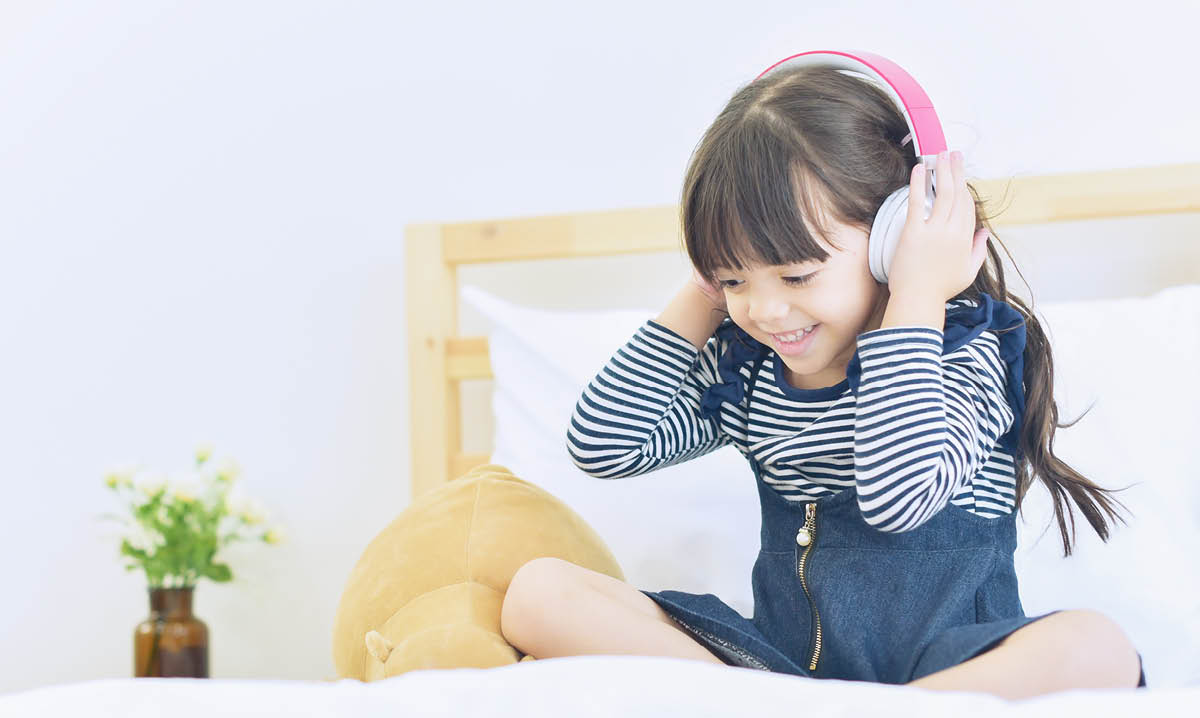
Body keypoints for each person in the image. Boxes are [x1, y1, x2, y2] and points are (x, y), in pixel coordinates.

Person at [498, 59, 1146, 701]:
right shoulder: (750, 376)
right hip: (782, 672)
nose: (765, 310)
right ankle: (785, 706)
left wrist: (917, 292)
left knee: (1097, 646)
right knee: (538, 593)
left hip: (946, 669)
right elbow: (603, 444)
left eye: (796, 275)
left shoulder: (964, 353)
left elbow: (900, 498)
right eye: (735, 280)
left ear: (895, 236)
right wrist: (704, 291)